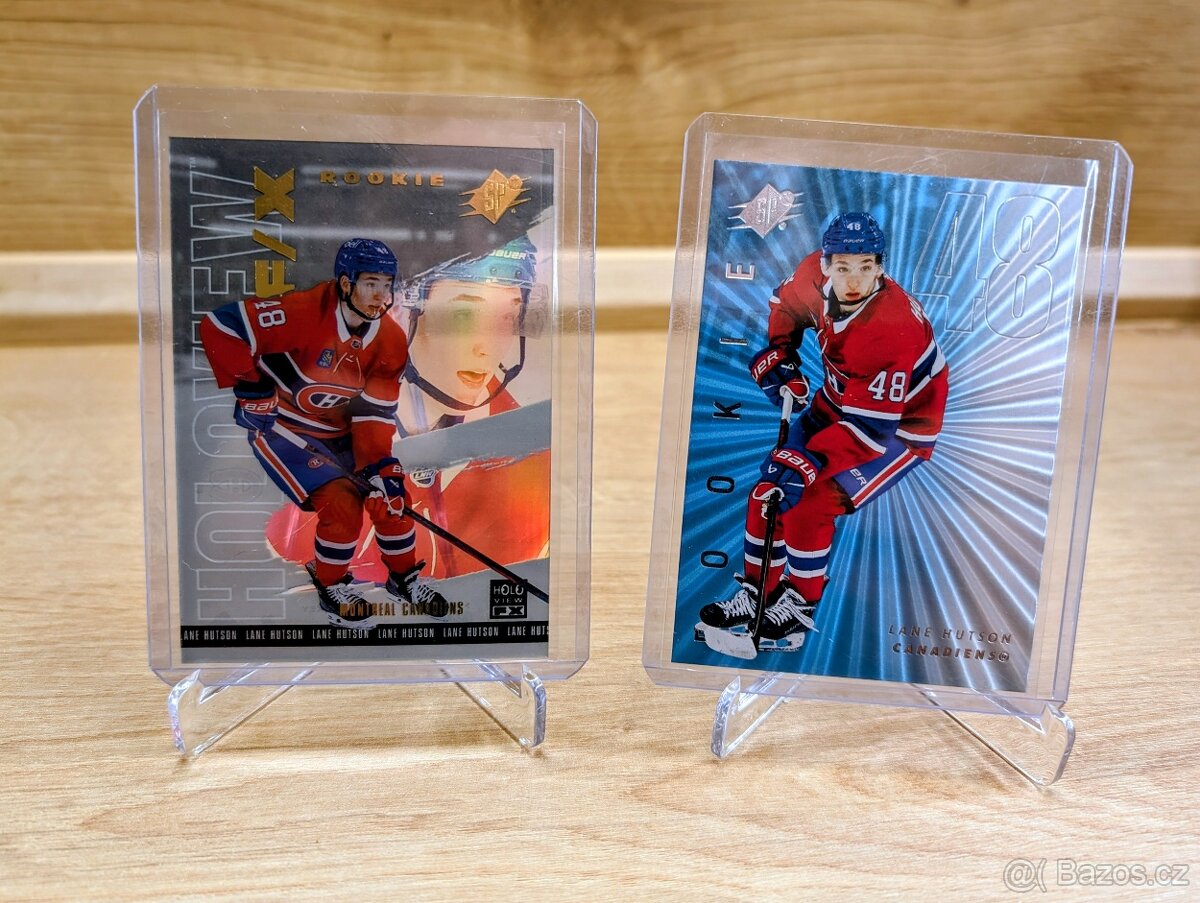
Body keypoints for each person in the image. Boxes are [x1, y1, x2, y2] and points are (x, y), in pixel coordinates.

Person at [699, 212, 949, 652]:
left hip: (901, 427)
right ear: (826, 264)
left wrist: (810, 461)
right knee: (768, 490)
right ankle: (758, 594)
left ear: (881, 268)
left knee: (811, 499)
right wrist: (781, 353)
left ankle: (799, 606)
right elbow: (785, 304)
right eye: (844, 267)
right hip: (837, 402)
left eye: (866, 267)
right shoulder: (812, 275)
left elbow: (870, 430)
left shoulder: (893, 329)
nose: (854, 280)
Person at [263, 237, 551, 583]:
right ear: (400, 311)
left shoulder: (535, 460)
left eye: (507, 317)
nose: (487, 349)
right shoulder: (311, 427)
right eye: (463, 315)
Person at [199, 238, 447, 628]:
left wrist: (378, 467)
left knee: (391, 498)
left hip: (342, 431)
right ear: (345, 283)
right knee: (342, 504)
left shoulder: (391, 340)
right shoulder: (303, 312)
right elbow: (221, 326)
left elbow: (374, 414)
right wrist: (250, 385)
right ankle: (332, 584)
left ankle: (404, 579)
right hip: (285, 429)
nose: (380, 296)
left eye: (387, 285)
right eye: (370, 283)